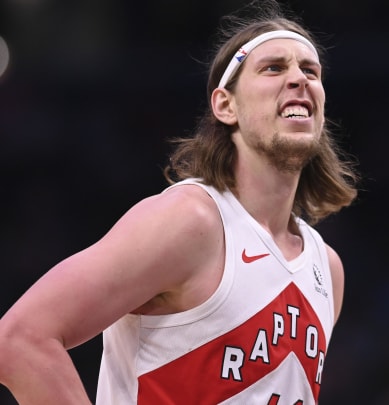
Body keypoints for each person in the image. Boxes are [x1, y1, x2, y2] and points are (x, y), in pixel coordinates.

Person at [0, 1, 359, 403]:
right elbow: (20, 339)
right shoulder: (191, 221)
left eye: (310, 70)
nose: (299, 79)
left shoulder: (326, 269)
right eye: (273, 68)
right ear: (226, 105)